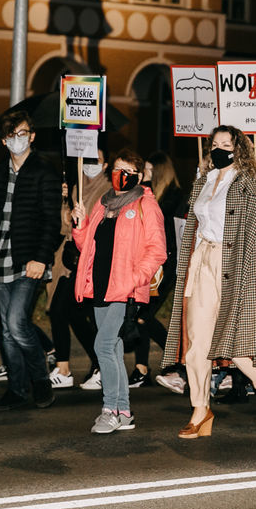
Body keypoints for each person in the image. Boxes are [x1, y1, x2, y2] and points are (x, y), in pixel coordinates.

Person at [162, 125, 256, 439]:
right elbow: (193, 225)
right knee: (196, 344)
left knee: (237, 347)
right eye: (214, 144)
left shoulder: (251, 183)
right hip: (203, 260)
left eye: (226, 144)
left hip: (235, 265)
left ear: (239, 148)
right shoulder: (202, 181)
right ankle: (200, 409)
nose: (219, 149)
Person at [70, 148, 167, 433]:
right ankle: (124, 411)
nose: (120, 176)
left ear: (138, 176)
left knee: (102, 345)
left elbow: (157, 251)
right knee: (112, 347)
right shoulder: (103, 203)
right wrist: (79, 226)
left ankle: (109, 409)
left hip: (124, 289)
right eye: (116, 169)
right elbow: (87, 246)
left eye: (127, 171)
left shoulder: (146, 205)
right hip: (100, 284)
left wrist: (134, 279)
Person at [0, 111, 62, 411]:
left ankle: (40, 380)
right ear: (3, 141)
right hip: (1, 259)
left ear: (33, 135)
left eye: (23, 133)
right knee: (5, 330)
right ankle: (16, 388)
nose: (18, 139)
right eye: (12, 135)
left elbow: (52, 221)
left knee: (16, 323)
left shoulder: (44, 171)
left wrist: (42, 258)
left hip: (29, 260)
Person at [45, 154, 105, 391]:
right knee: (72, 314)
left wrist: (82, 220)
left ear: (106, 164)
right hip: (69, 261)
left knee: (62, 309)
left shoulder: (107, 190)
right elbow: (64, 227)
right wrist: (64, 205)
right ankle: (87, 365)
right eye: (88, 160)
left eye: (97, 160)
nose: (91, 166)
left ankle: (65, 368)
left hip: (90, 261)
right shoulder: (76, 188)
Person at [135, 150, 182, 390]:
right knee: (140, 314)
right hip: (149, 263)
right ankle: (142, 368)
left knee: (144, 316)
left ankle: (176, 363)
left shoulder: (173, 196)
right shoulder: (146, 194)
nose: (146, 174)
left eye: (151, 170)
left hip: (166, 264)